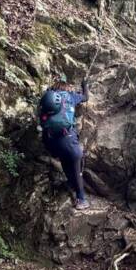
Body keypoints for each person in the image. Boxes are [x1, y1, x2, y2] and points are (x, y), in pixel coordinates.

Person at [38, 74, 90, 210]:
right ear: (65, 88)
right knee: (76, 165)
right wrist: (85, 85)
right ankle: (81, 199)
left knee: (65, 161)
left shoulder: (47, 100)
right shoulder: (69, 97)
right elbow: (85, 97)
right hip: (68, 141)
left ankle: (70, 184)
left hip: (52, 143)